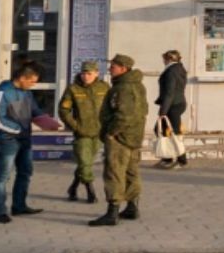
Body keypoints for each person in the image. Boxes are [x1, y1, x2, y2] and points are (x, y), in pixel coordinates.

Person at [93, 55, 148, 227]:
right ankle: (132, 207)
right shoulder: (137, 85)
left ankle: (112, 212)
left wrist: (111, 132)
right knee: (131, 172)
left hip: (120, 137)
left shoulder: (123, 88)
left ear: (124, 68)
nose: (110, 69)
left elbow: (123, 115)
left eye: (114, 66)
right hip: (134, 136)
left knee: (114, 172)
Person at [0, 63, 44, 223]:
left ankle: (19, 206)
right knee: (3, 176)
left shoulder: (27, 93)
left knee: (25, 172)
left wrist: (45, 119)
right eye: (31, 81)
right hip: (7, 140)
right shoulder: (4, 93)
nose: (33, 84)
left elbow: (35, 110)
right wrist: (16, 129)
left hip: (25, 140)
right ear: (21, 78)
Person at [57, 60, 109, 204]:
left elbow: (111, 107)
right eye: (83, 73)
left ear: (96, 74)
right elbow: (63, 110)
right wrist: (75, 126)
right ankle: (91, 192)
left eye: (89, 73)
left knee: (86, 163)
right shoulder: (73, 89)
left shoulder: (104, 88)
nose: (85, 76)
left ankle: (73, 188)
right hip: (82, 133)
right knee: (85, 163)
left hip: (99, 133)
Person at [156, 49, 189, 169]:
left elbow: (170, 92)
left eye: (164, 59)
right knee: (163, 130)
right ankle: (167, 158)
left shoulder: (171, 71)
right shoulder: (179, 68)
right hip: (176, 103)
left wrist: (163, 111)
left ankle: (181, 160)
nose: (163, 61)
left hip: (173, 105)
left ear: (169, 59)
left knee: (174, 133)